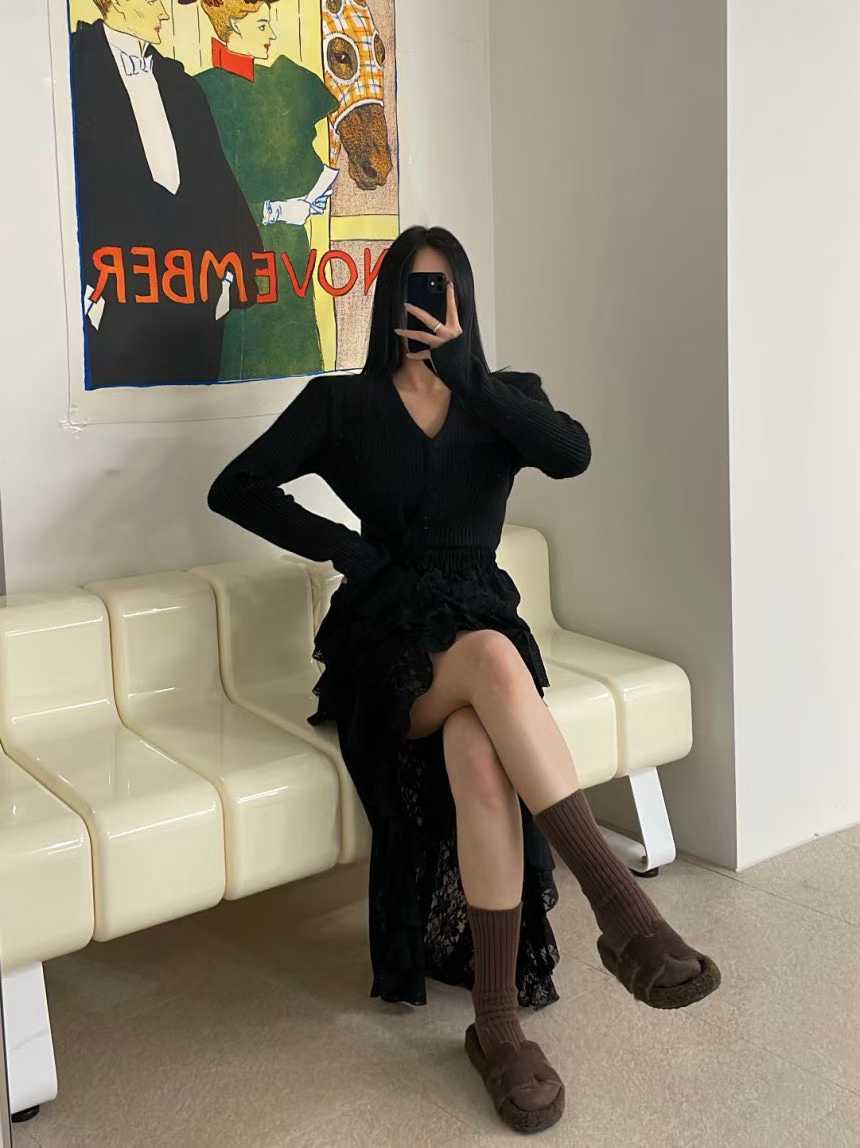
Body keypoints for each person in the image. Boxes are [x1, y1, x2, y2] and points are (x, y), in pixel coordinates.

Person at [206, 225, 721, 1134]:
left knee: (482, 754)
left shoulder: (504, 397)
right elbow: (235, 487)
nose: (428, 305)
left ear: (466, 301)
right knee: (489, 659)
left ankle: (496, 1027)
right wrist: (342, 547)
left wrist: (470, 379)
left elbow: (572, 453)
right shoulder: (343, 404)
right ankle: (621, 910)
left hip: (480, 624)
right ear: (388, 301)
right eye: (414, 287)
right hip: (386, 640)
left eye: (443, 289)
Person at [71, 1, 261, 388]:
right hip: (116, 313)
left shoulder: (182, 86)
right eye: (152, 0)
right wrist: (89, 297)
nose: (164, 11)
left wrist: (225, 288)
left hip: (195, 314)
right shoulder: (71, 69)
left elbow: (220, 189)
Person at [192, 0, 340, 381]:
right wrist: (276, 210)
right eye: (261, 26)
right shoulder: (202, 92)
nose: (272, 34)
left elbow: (306, 168)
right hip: (236, 265)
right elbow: (203, 200)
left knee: (300, 373)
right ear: (232, 27)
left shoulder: (282, 85)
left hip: (290, 263)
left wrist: (314, 190)